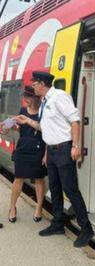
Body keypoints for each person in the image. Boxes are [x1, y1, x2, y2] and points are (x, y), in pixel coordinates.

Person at [16, 71, 94, 248]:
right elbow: (45, 128)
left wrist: (75, 145)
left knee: (70, 189)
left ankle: (86, 228)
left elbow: (75, 121)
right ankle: (58, 223)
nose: (33, 86)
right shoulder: (44, 102)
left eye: (34, 83)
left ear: (42, 83)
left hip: (64, 149)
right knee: (55, 188)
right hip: (51, 151)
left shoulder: (59, 96)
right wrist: (27, 121)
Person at [0, 86, 47, 223]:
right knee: (18, 178)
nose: (24, 99)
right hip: (23, 148)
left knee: (39, 179)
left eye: (27, 97)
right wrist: (9, 127)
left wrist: (46, 154)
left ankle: (39, 207)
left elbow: (48, 132)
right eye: (24, 96)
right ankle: (12, 207)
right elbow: (20, 129)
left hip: (39, 148)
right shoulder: (22, 110)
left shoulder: (43, 112)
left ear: (35, 98)